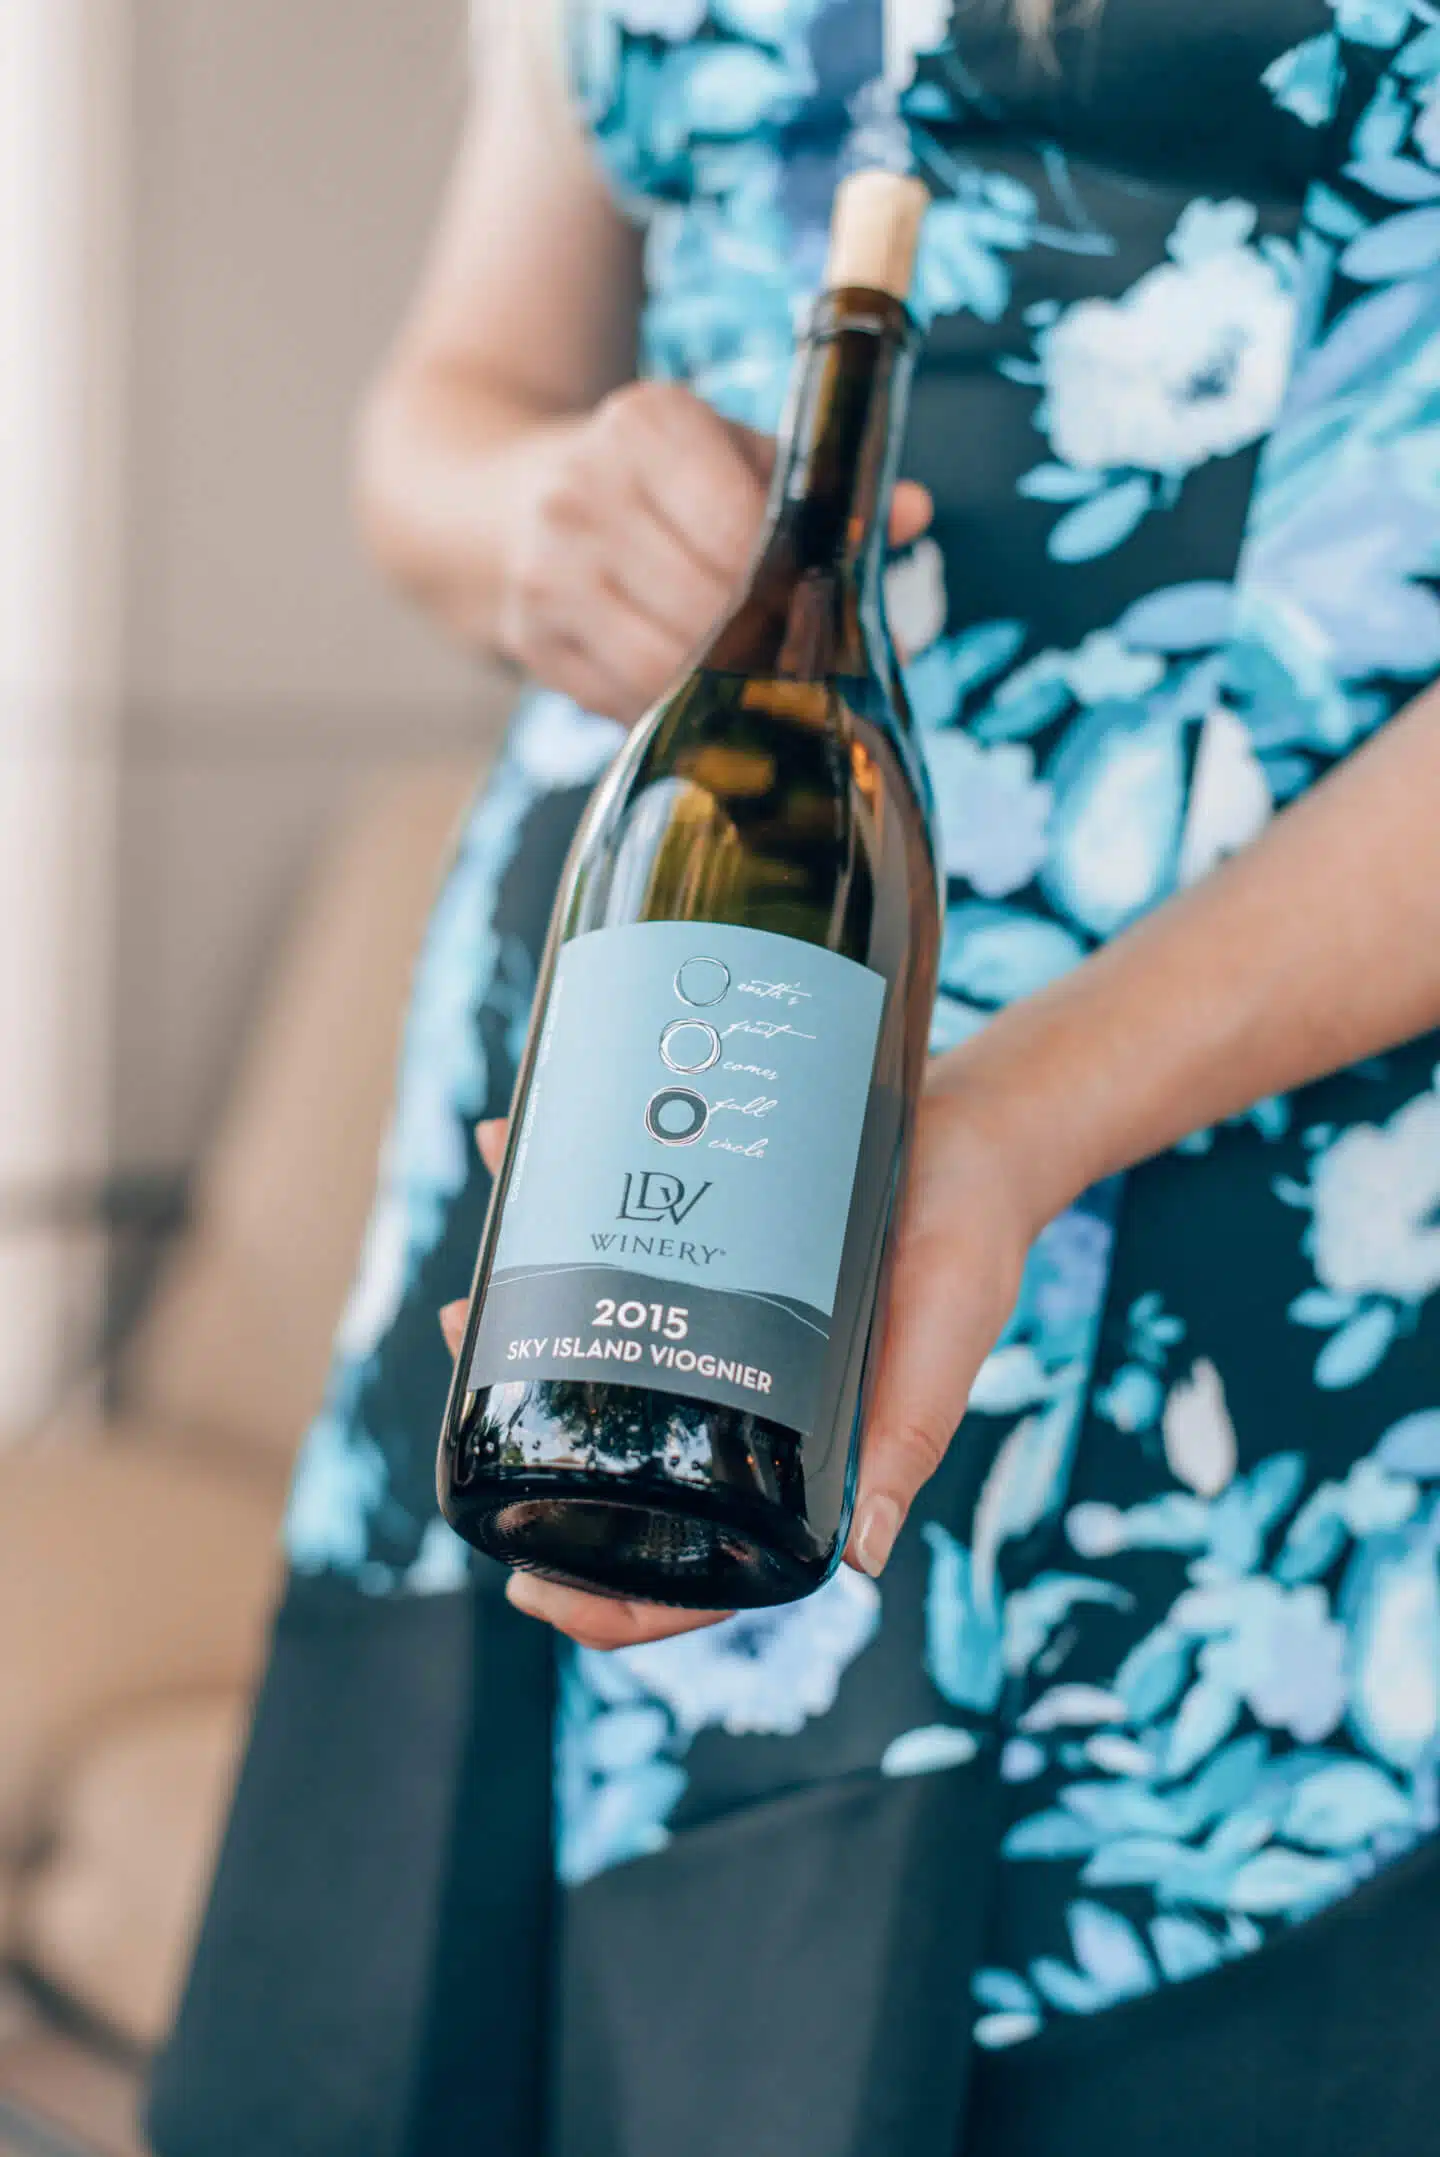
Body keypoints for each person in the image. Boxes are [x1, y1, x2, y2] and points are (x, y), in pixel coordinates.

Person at [150, 2, 1440, 2153]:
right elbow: (443, 416)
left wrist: (1020, 1117)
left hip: (1212, 1280)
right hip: (586, 1150)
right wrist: (534, 512)